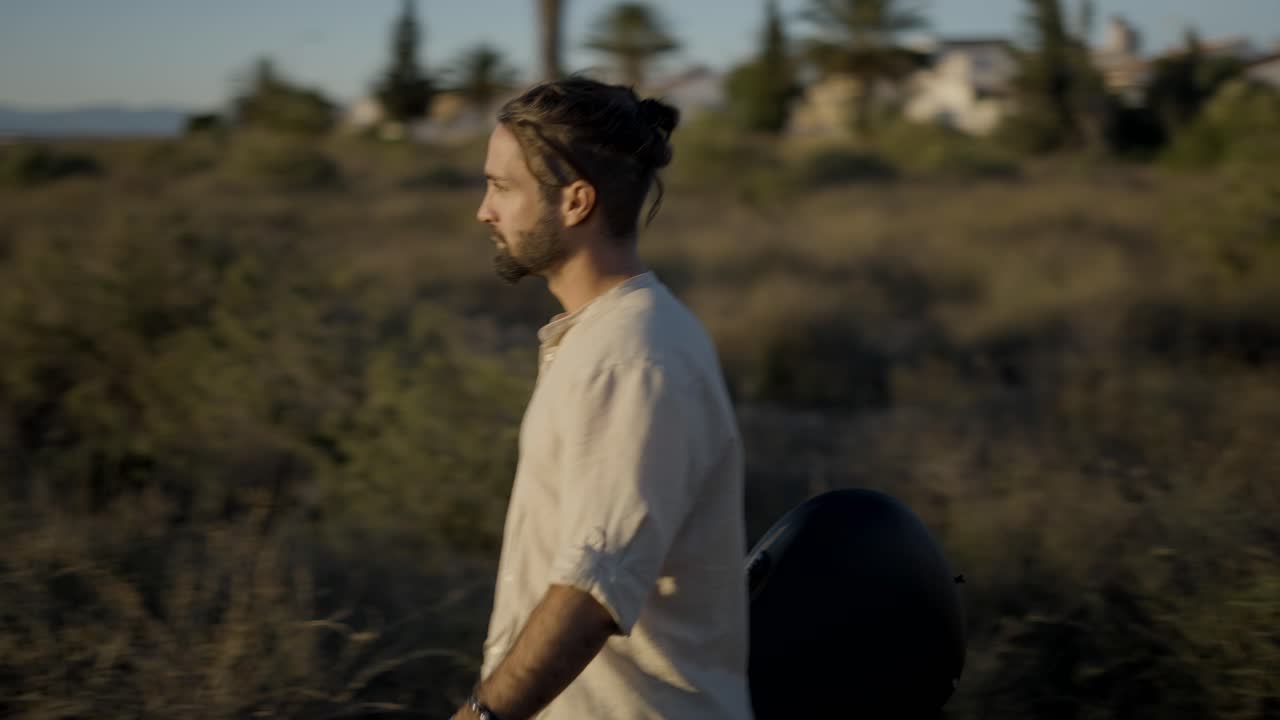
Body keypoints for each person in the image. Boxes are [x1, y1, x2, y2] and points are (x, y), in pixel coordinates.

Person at [453, 77, 752, 720]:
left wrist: (479, 718)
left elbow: (593, 592)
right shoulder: (606, 339)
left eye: (502, 187)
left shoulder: (631, 357)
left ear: (576, 202)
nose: (485, 210)